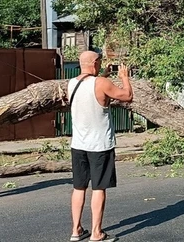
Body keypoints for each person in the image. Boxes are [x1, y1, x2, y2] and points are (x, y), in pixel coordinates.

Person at [68, 51, 133, 242]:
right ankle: (96, 233)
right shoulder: (101, 84)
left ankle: (76, 229)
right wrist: (124, 77)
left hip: (78, 143)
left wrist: (103, 75)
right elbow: (127, 96)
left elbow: (89, 89)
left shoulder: (71, 84)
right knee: (99, 188)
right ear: (95, 63)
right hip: (99, 145)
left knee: (79, 187)